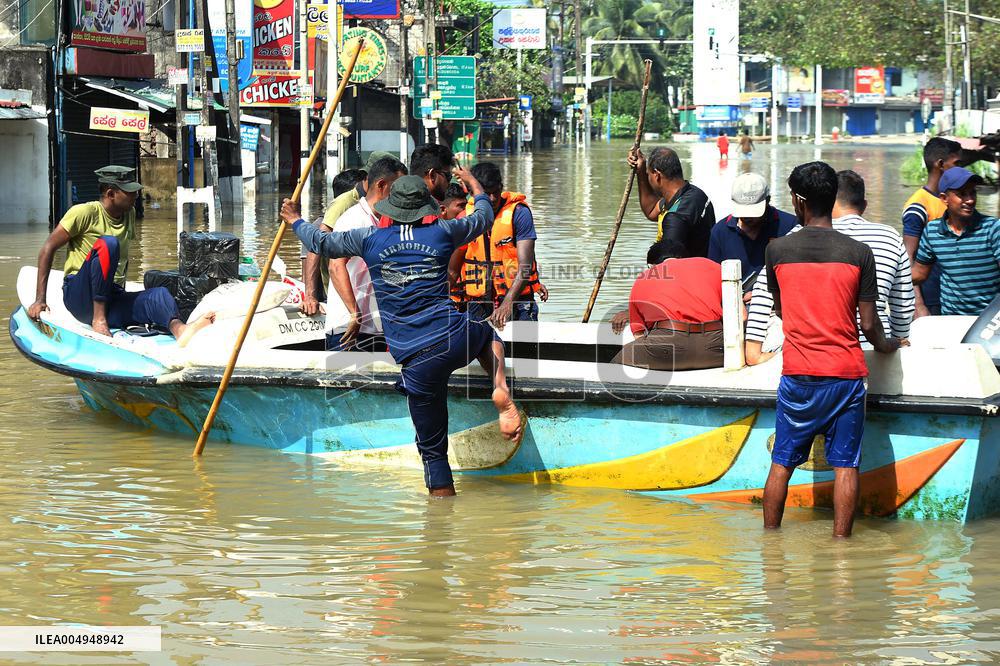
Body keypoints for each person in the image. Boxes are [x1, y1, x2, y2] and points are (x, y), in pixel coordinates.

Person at [284, 170, 523, 497]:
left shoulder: (369, 238)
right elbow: (483, 217)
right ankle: (499, 389)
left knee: (433, 453)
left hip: (416, 360)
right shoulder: (443, 232)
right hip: (455, 337)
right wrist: (474, 184)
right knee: (486, 332)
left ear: (390, 209)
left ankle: (438, 528)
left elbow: (321, 243)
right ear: (428, 207)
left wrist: (296, 220)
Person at [761, 161, 903, 538]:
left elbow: (779, 308)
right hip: (845, 374)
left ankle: (770, 544)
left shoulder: (776, 251)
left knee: (781, 464)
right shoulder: (858, 253)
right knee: (845, 466)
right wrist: (889, 345)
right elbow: (870, 325)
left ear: (799, 200)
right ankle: (842, 548)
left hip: (799, 375)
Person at [26, 166, 213, 346]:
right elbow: (48, 248)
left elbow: (124, 260)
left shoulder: (129, 213)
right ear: (110, 194)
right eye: (129, 192)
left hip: (111, 297)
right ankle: (98, 320)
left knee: (159, 295)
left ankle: (180, 330)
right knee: (108, 243)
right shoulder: (84, 212)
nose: (135, 196)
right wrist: (40, 299)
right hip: (80, 297)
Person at [744, 170, 915, 365]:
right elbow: (903, 305)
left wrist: (753, 352)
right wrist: (894, 343)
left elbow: (763, 296)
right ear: (864, 205)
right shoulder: (889, 237)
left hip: (806, 355)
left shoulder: (790, 240)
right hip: (872, 352)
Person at [325, 156, 408, 351]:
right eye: (398, 188)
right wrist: (354, 313)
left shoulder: (387, 221)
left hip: (378, 329)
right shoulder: (354, 219)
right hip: (349, 328)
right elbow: (336, 266)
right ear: (382, 185)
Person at [451, 161, 546, 329]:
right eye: (487, 194)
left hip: (517, 300)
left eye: (496, 192)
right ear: (473, 192)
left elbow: (525, 266)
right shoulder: (465, 218)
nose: (493, 199)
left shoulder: (519, 213)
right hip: (478, 302)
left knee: (524, 349)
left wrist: (507, 303)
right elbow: (453, 270)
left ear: (501, 186)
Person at [610, 239, 725, 371]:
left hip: (667, 347)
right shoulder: (712, 266)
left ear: (651, 266)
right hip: (716, 347)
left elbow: (639, 334)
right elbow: (742, 316)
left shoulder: (646, 276)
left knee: (617, 363)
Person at [301, 155, 393, 315]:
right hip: (344, 300)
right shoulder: (346, 203)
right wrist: (310, 295)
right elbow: (319, 244)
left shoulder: (377, 209)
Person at [913, 166, 1000, 316]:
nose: (970, 200)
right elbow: (919, 274)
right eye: (961, 194)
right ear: (944, 198)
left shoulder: (993, 228)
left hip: (989, 321)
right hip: (951, 319)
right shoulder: (932, 231)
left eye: (972, 192)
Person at [902, 137, 963, 318]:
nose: (961, 169)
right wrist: (918, 305)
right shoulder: (918, 206)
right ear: (941, 164)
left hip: (953, 298)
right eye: (957, 163)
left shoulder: (951, 201)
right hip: (931, 297)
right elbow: (908, 259)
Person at [707, 172, 798, 286]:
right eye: (743, 211)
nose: (747, 217)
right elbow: (713, 279)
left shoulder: (790, 226)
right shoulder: (720, 232)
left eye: (753, 212)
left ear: (767, 201)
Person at [628, 146, 715, 259]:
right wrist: (641, 172)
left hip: (688, 273)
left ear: (657, 175)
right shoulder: (695, 194)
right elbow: (651, 210)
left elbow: (668, 263)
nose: (648, 177)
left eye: (648, 174)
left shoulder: (676, 217)